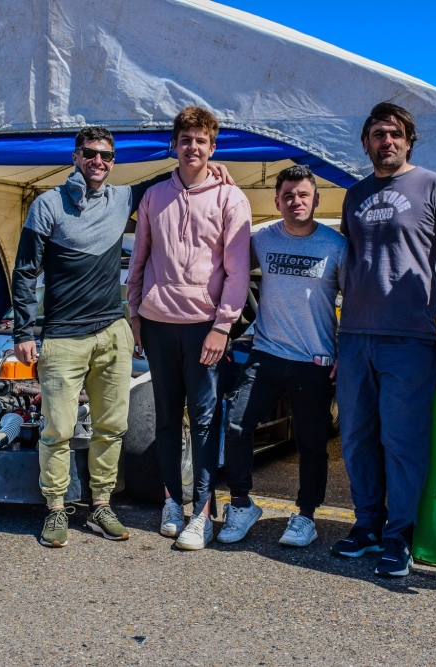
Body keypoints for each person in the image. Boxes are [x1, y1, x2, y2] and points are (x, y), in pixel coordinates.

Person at [12, 126, 234, 548]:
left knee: (111, 427)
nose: (99, 162)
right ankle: (56, 509)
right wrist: (24, 331)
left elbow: (171, 178)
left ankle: (101, 503)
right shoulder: (47, 205)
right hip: (63, 336)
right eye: (91, 154)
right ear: (76, 156)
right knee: (57, 428)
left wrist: (203, 165)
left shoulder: (122, 198)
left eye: (108, 156)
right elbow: (25, 272)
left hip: (113, 331)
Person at [332, 102, 436, 578]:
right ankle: (367, 525)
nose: (386, 141)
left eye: (394, 133)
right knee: (354, 439)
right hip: (354, 337)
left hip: (408, 337)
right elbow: (348, 265)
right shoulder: (353, 196)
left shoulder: (434, 185)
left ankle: (399, 536)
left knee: (402, 441)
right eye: (376, 134)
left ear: (409, 140)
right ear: (366, 142)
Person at [127, 106, 251, 551]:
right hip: (157, 325)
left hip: (204, 328)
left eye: (201, 141)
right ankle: (171, 503)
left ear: (212, 147)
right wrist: (136, 316)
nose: (193, 147)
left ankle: (202, 514)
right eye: (186, 139)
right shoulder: (153, 197)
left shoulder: (231, 199)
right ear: (174, 145)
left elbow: (238, 273)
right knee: (165, 420)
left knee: (202, 421)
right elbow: (137, 262)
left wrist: (222, 327)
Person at [217, 165, 346, 548]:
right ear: (277, 201)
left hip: (315, 359)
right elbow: (230, 271)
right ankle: (241, 504)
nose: (296, 201)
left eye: (303, 195)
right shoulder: (263, 239)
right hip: (267, 352)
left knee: (311, 443)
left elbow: (354, 300)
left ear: (315, 199)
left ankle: (306, 515)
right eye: (288, 196)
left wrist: (346, 352)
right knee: (238, 426)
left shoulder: (335, 246)